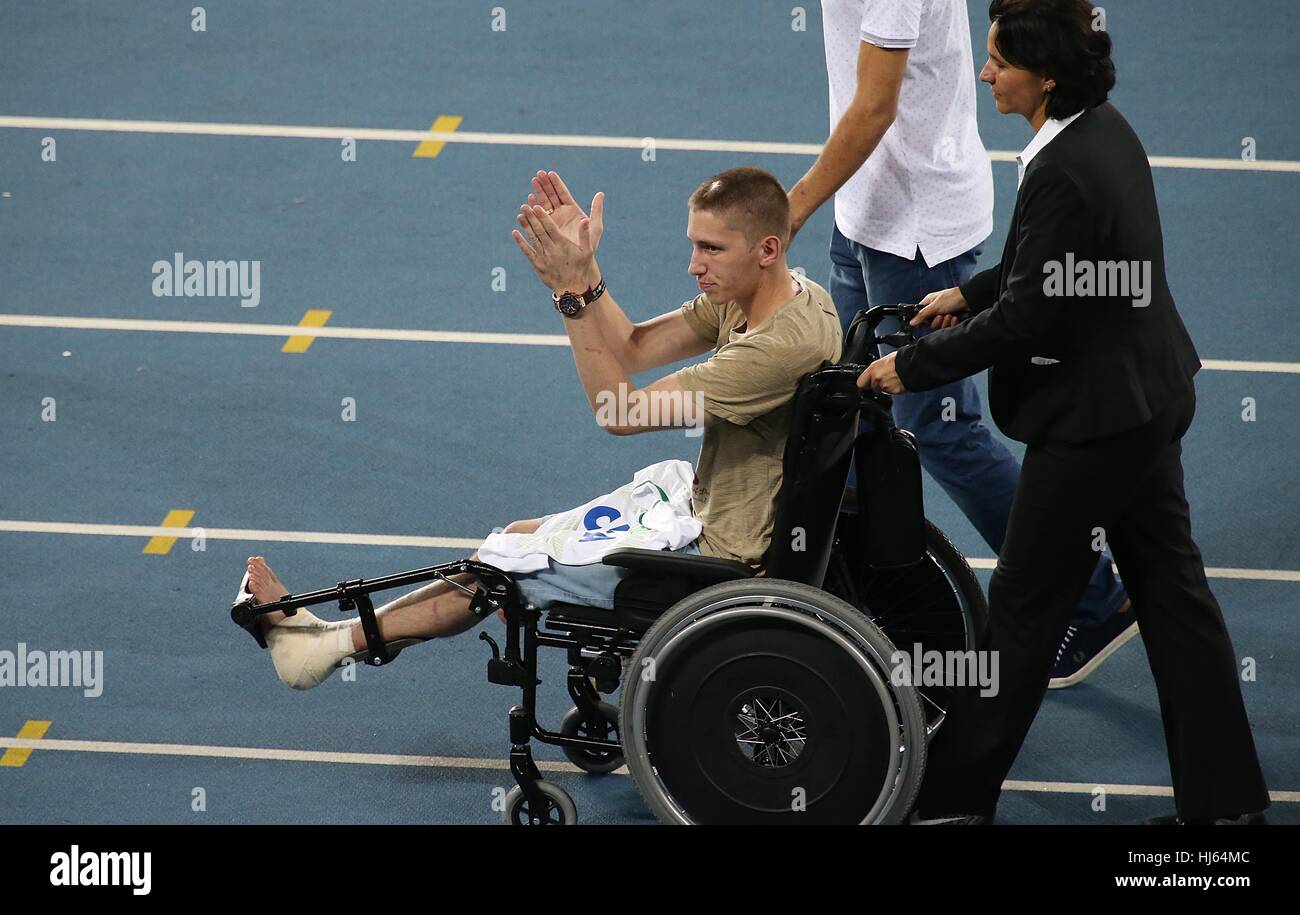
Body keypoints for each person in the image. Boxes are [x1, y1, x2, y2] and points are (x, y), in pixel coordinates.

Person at [859, 0, 1269, 824]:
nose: (983, 74)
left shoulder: (1065, 169)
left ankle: (950, 802)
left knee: (1019, 617)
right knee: (1174, 596)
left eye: (998, 62)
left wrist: (908, 366)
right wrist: (965, 291)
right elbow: (1041, 265)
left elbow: (1028, 320)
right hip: (1146, 398)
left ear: (1045, 75)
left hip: (1093, 425)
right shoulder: (1096, 132)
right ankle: (1225, 805)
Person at [243, 166, 841, 690]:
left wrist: (569, 296)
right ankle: (335, 637)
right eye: (693, 245)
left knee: (498, 572)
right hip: (717, 503)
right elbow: (633, 348)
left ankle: (327, 648)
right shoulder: (785, 296)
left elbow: (621, 412)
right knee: (520, 534)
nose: (694, 265)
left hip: (720, 550)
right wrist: (584, 272)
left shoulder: (774, 350)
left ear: (767, 247)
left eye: (711, 249)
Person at [787, 0, 1132, 688]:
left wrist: (790, 209)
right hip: (865, 209)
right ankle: (846, 596)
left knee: (939, 427)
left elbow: (875, 108)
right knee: (843, 405)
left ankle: (1093, 597)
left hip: (917, 228)